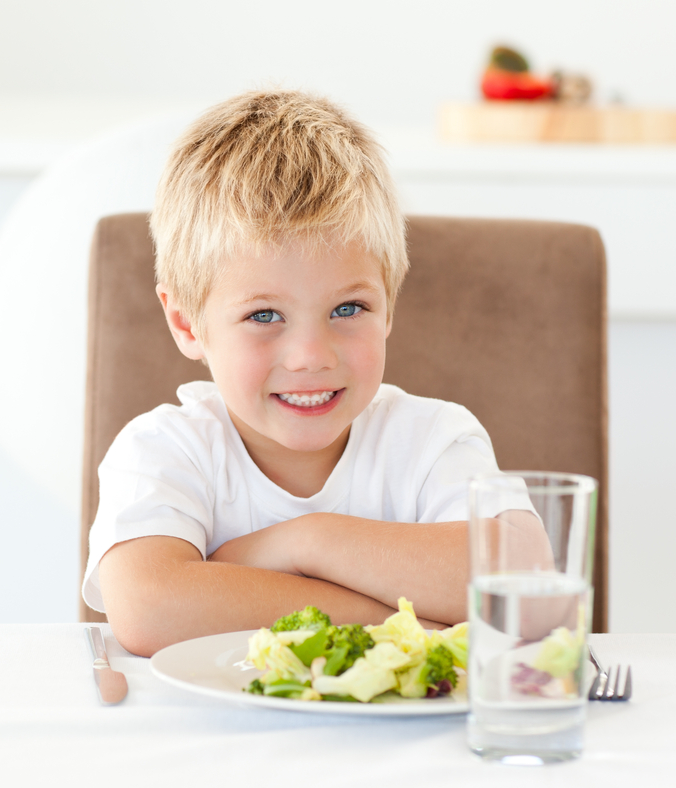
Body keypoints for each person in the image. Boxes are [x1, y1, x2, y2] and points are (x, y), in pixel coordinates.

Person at [81, 90, 504, 657]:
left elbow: (513, 577)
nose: (310, 355)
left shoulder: (431, 439)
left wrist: (307, 541)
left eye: (348, 309)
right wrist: (384, 621)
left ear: (389, 308)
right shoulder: (162, 450)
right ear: (187, 324)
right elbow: (149, 606)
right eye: (264, 316)